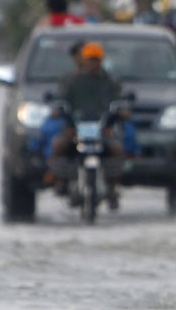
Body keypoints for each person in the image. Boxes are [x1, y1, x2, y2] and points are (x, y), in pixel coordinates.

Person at [49, 42, 126, 209]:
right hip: (75, 127)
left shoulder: (110, 81)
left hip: (102, 128)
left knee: (116, 149)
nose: (92, 63)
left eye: (96, 60)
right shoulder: (71, 80)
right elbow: (60, 100)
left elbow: (121, 101)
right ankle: (61, 182)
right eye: (89, 60)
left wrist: (121, 111)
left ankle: (112, 189)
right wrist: (59, 112)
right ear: (83, 60)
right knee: (58, 145)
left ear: (101, 61)